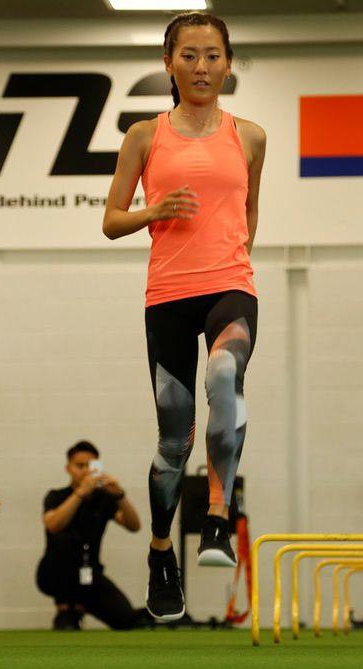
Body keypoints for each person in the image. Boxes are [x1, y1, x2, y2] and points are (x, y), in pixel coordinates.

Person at [102, 10, 266, 622]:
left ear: (228, 63)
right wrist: (154, 211)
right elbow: (111, 220)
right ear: (168, 63)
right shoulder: (145, 136)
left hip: (230, 285)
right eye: (189, 55)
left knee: (224, 375)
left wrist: (234, 256)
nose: (202, 67)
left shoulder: (251, 136)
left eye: (213, 55)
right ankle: (160, 554)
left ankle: (219, 518)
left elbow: (250, 211)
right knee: (176, 437)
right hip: (169, 293)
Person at [37, 441, 145, 630]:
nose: (85, 471)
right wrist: (80, 493)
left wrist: (120, 495)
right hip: (55, 572)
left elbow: (134, 525)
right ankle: (67, 609)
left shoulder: (104, 498)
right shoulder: (56, 496)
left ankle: (79, 606)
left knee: (127, 619)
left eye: (91, 465)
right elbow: (54, 525)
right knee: (66, 620)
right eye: (80, 466)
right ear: (68, 468)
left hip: (90, 572)